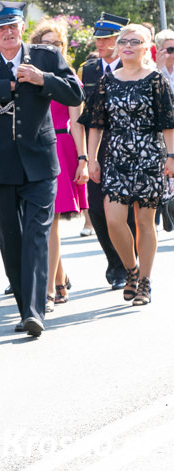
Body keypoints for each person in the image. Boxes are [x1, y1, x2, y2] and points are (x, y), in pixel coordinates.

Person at [0, 1, 83, 337]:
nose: (8, 33)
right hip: (1, 165)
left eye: (12, 26)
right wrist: (9, 87)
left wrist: (43, 80)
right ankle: (23, 306)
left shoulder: (45, 57)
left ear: (21, 27)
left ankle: (34, 312)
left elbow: (74, 94)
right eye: (0, 29)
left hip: (41, 162)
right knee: (11, 240)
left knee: (36, 235)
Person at [81, 24, 174, 306]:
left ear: (147, 47)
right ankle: (130, 269)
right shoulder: (106, 81)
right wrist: (92, 158)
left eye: (136, 41)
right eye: (124, 41)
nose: (128, 45)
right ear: (117, 47)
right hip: (116, 157)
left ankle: (144, 281)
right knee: (113, 220)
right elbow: (95, 125)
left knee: (145, 223)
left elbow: (168, 123)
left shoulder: (157, 80)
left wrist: (171, 157)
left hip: (149, 156)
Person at [28, 19, 89, 311]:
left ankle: (49, 291)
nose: (53, 49)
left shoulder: (71, 80)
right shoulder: (27, 74)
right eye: (46, 44)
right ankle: (61, 280)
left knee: (50, 223)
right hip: (36, 150)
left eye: (58, 44)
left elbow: (77, 123)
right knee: (46, 224)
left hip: (63, 149)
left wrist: (83, 158)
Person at [77, 13, 133, 290]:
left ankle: (130, 263)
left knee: (129, 210)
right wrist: (87, 156)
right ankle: (114, 261)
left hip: (129, 146)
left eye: (107, 39)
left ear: (120, 40)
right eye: (98, 39)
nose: (101, 44)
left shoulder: (133, 66)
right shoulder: (87, 70)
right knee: (97, 208)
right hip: (97, 146)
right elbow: (84, 112)